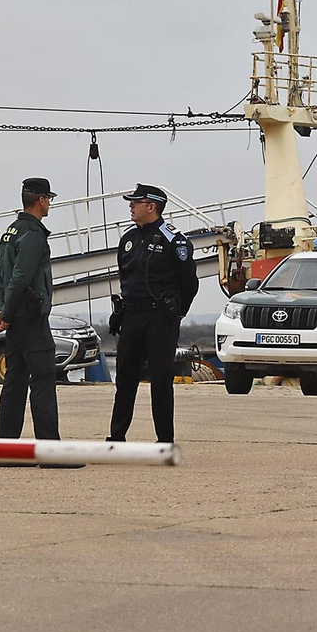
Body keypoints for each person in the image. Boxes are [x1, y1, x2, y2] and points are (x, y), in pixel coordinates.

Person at [0, 177, 82, 468]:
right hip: (30, 319)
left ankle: (6, 451)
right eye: (49, 199)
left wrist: (4, 313)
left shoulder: (10, 232)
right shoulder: (32, 234)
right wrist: (6, 314)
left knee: (15, 383)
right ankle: (50, 453)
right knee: (43, 381)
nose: (49, 204)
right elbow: (19, 278)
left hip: (16, 321)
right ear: (41, 200)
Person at [107, 183, 198, 444]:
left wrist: (176, 313)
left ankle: (164, 440)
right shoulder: (128, 239)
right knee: (125, 380)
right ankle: (116, 437)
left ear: (152, 206)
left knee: (160, 381)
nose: (131, 206)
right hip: (132, 317)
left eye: (136, 202)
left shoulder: (175, 240)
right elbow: (126, 277)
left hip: (160, 318)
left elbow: (189, 283)